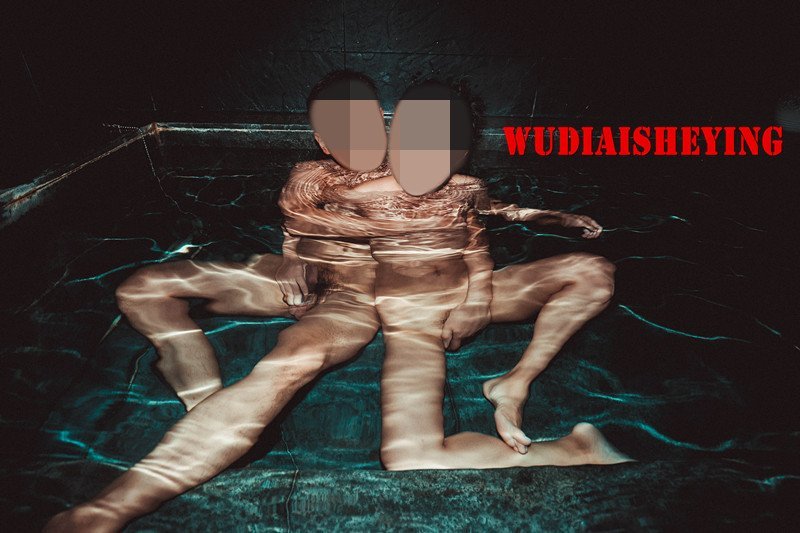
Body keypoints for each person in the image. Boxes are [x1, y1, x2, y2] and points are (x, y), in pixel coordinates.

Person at [44, 72, 620, 531]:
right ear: (322, 139)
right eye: (340, 132)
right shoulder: (314, 178)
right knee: (159, 295)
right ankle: (200, 418)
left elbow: (476, 218)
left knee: (299, 365)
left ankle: (125, 497)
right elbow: (296, 230)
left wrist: (541, 224)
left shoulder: (434, 177)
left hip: (390, 298)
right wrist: (293, 257)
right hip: (333, 286)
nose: (358, 141)